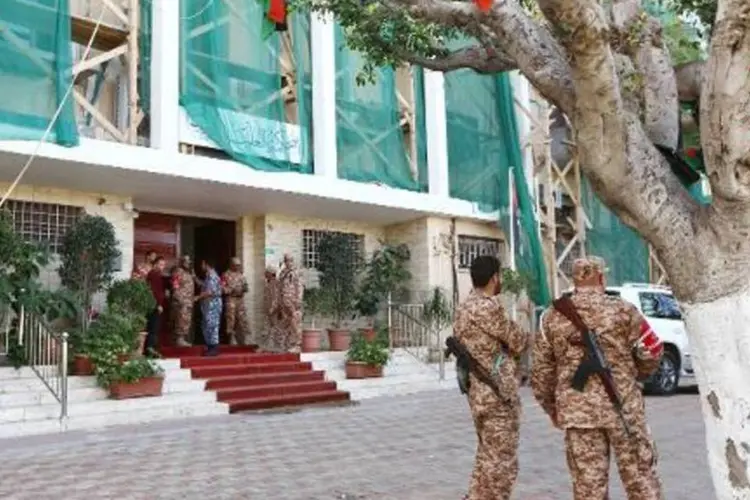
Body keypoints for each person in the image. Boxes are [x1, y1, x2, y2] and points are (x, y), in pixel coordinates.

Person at [530, 256, 664, 499]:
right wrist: (636, 375)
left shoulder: (551, 317)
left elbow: (540, 373)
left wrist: (553, 408)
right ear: (601, 277)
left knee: (588, 490)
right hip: (623, 410)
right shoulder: (623, 310)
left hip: (579, 414)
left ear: (575, 279)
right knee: (642, 484)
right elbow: (653, 350)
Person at [452, 255, 528, 500]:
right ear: (495, 278)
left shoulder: (463, 307)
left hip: (478, 393)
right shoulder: (489, 308)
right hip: (497, 396)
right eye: (500, 276)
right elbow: (518, 341)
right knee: (502, 465)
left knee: (487, 456)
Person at [195, 258, 223, 356]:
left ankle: (213, 348)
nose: (201, 266)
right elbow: (205, 286)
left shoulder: (212, 276)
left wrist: (198, 297)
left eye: (202, 264)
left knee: (212, 325)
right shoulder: (208, 276)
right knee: (206, 325)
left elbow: (209, 292)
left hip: (213, 305)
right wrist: (195, 278)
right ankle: (210, 346)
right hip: (208, 305)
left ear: (206, 264)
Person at [222, 257, 250, 346]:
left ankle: (244, 338)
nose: (238, 267)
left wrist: (244, 288)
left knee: (243, 319)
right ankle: (232, 338)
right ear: (231, 265)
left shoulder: (241, 275)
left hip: (240, 299)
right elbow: (222, 288)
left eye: (239, 265)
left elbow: (246, 287)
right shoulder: (225, 275)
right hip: (231, 299)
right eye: (236, 265)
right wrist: (230, 290)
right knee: (231, 318)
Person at [278, 254, 303, 352]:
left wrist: (298, 299)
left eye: (289, 260)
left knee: (295, 322)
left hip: (293, 301)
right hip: (285, 301)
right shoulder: (283, 272)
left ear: (292, 261)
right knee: (286, 322)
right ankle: (287, 344)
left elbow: (300, 286)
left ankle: (297, 344)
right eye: (286, 260)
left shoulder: (296, 272)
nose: (288, 262)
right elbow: (280, 286)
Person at [171, 255, 195, 347]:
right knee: (181, 320)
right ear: (182, 262)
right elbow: (175, 286)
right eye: (186, 262)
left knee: (185, 320)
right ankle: (179, 339)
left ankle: (182, 339)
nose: (188, 264)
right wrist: (179, 299)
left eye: (189, 263)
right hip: (181, 301)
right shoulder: (178, 272)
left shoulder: (188, 273)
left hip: (188, 301)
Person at [145, 255, 167, 354]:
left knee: (153, 327)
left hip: (153, 304)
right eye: (161, 265)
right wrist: (158, 304)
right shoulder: (154, 275)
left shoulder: (155, 274)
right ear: (155, 264)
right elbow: (154, 291)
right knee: (153, 327)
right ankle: (150, 349)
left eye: (163, 265)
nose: (162, 267)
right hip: (154, 305)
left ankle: (151, 348)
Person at [263, 266, 282, 351]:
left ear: (271, 274)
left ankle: (278, 346)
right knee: (269, 328)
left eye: (266, 272)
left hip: (274, 310)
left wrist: (273, 309)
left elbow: (276, 298)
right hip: (269, 310)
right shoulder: (269, 283)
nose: (265, 274)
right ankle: (268, 346)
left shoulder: (275, 283)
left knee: (276, 327)